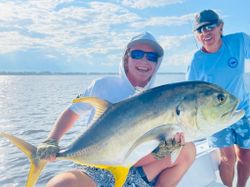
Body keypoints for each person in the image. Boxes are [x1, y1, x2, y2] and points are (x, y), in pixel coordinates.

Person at [38, 32, 196, 187]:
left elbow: (139, 152)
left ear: (157, 63)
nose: (144, 60)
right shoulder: (103, 86)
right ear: (127, 57)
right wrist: (52, 139)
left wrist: (160, 152)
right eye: (137, 54)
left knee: (188, 149)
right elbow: (73, 111)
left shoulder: (159, 98)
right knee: (62, 184)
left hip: (137, 171)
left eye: (151, 57)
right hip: (96, 168)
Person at [186, 9, 250, 187]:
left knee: (245, 156)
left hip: (242, 109)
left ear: (220, 27)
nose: (205, 32)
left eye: (210, 26)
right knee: (227, 158)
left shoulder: (238, 41)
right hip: (214, 116)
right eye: (200, 30)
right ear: (196, 35)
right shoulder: (196, 61)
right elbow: (190, 95)